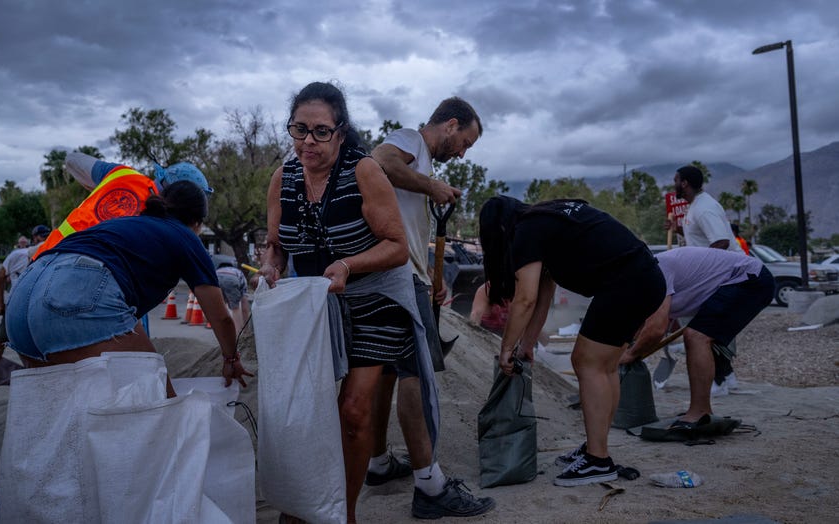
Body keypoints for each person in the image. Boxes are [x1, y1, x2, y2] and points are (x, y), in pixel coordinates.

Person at [257, 81, 437, 523]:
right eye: (299, 130)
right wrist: (271, 264)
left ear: (340, 132)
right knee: (308, 407)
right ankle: (309, 501)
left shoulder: (364, 171)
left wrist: (348, 266)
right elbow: (277, 244)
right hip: (319, 300)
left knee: (353, 410)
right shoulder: (283, 179)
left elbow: (397, 246)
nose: (308, 142)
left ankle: (345, 513)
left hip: (377, 294)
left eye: (320, 131)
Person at [479, 196, 666, 486]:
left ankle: (598, 460)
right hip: (644, 277)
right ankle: (597, 448)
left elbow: (525, 298)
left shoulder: (526, 230)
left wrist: (506, 349)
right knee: (605, 366)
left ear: (499, 230)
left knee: (586, 362)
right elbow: (543, 294)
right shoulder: (546, 220)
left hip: (627, 282)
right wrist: (526, 344)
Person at [368, 97, 494, 519]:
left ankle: (378, 463)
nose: (461, 152)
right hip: (398, 278)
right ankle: (430, 486)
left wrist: (432, 276)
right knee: (415, 375)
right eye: (465, 142)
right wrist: (432, 187)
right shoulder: (409, 141)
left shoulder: (420, 161)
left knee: (386, 373)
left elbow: (406, 223)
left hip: (404, 273)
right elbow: (378, 163)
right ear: (450, 124)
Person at [5, 181, 251, 394]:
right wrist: (230, 358)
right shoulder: (185, 236)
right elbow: (221, 318)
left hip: (22, 298)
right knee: (158, 406)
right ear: (197, 223)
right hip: (74, 292)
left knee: (67, 414)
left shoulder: (125, 224)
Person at [619, 247, 774, 427]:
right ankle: (700, 410)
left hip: (748, 278)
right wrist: (622, 350)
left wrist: (630, 355)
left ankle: (700, 413)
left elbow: (655, 330)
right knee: (695, 335)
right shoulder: (635, 281)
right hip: (731, 281)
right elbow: (639, 325)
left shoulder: (653, 272)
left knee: (696, 336)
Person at [32, 152, 213, 259]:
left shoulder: (122, 175)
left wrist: (100, 188)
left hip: (41, 260)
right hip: (81, 279)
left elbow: (73, 159)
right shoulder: (163, 224)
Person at [668, 165, 743, 394]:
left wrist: (703, 273)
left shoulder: (705, 208)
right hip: (715, 274)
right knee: (708, 325)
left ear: (685, 183)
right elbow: (700, 236)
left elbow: (720, 241)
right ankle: (728, 376)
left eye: (676, 180)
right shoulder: (695, 206)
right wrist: (678, 229)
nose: (674, 184)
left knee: (703, 328)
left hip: (721, 276)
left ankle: (718, 380)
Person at [0, 225, 50, 388]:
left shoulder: (42, 254)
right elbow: (1, 276)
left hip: (28, 303)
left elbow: (2, 277)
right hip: (24, 304)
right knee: (5, 340)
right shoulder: (22, 255)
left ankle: (33, 376)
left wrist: (0, 300)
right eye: (42, 236)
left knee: (16, 341)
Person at [213, 254, 250, 333]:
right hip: (231, 279)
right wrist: (246, 328)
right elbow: (244, 307)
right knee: (235, 308)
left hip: (215, 277)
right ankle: (238, 332)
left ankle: (221, 330)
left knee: (220, 307)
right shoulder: (239, 273)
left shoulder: (218, 270)